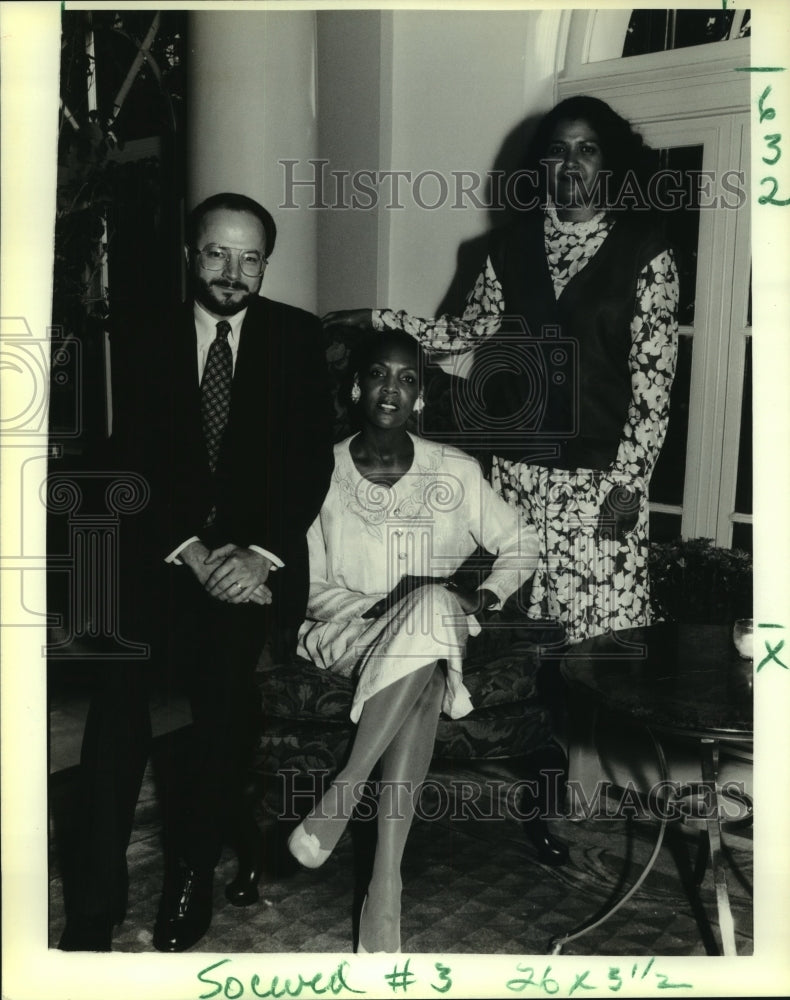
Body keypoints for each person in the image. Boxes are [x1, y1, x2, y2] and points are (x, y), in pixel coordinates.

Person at [58, 192, 334, 952]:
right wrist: (188, 547)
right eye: (218, 253)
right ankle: (93, 902)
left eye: (250, 258)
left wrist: (258, 553)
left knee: (219, 698)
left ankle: (189, 874)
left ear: (265, 264)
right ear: (192, 254)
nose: (233, 272)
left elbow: (310, 461)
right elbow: (128, 459)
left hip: (253, 570)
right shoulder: (142, 335)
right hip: (160, 557)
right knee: (119, 704)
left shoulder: (296, 338)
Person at [325, 96, 679, 644]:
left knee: (598, 640)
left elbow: (653, 392)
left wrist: (628, 487)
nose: (571, 164)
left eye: (587, 150)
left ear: (609, 163)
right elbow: (463, 331)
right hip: (519, 471)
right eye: (558, 151)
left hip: (599, 481)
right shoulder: (511, 248)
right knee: (522, 632)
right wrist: (377, 317)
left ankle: (591, 735)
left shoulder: (646, 254)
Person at [287, 330, 538, 953]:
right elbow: (311, 587)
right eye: (377, 375)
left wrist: (482, 597)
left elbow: (521, 543)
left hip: (437, 626)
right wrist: (391, 604)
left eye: (406, 379)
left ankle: (348, 800)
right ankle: (385, 886)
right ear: (356, 386)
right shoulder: (320, 470)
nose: (390, 390)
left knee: (431, 614)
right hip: (349, 634)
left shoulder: (454, 469)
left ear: (421, 396)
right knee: (424, 646)